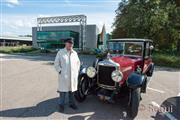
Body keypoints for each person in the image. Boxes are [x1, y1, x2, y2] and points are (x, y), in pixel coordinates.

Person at [54, 37, 80, 112]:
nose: (70, 44)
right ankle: (61, 105)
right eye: (69, 43)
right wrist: (60, 71)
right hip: (64, 76)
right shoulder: (60, 52)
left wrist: (76, 72)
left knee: (72, 91)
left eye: (71, 43)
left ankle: (72, 103)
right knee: (63, 92)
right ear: (65, 43)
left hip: (72, 76)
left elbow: (78, 63)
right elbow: (56, 64)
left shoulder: (75, 53)